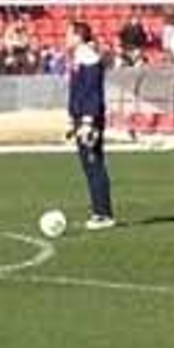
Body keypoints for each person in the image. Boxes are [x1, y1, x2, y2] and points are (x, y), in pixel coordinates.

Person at [66, 22, 115, 230]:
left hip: (90, 119)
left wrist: (88, 121)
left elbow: (92, 91)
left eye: (69, 34)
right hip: (82, 117)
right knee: (89, 166)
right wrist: (72, 120)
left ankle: (103, 213)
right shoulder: (80, 57)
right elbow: (78, 91)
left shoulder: (88, 58)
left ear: (78, 36)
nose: (66, 38)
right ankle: (99, 210)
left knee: (94, 164)